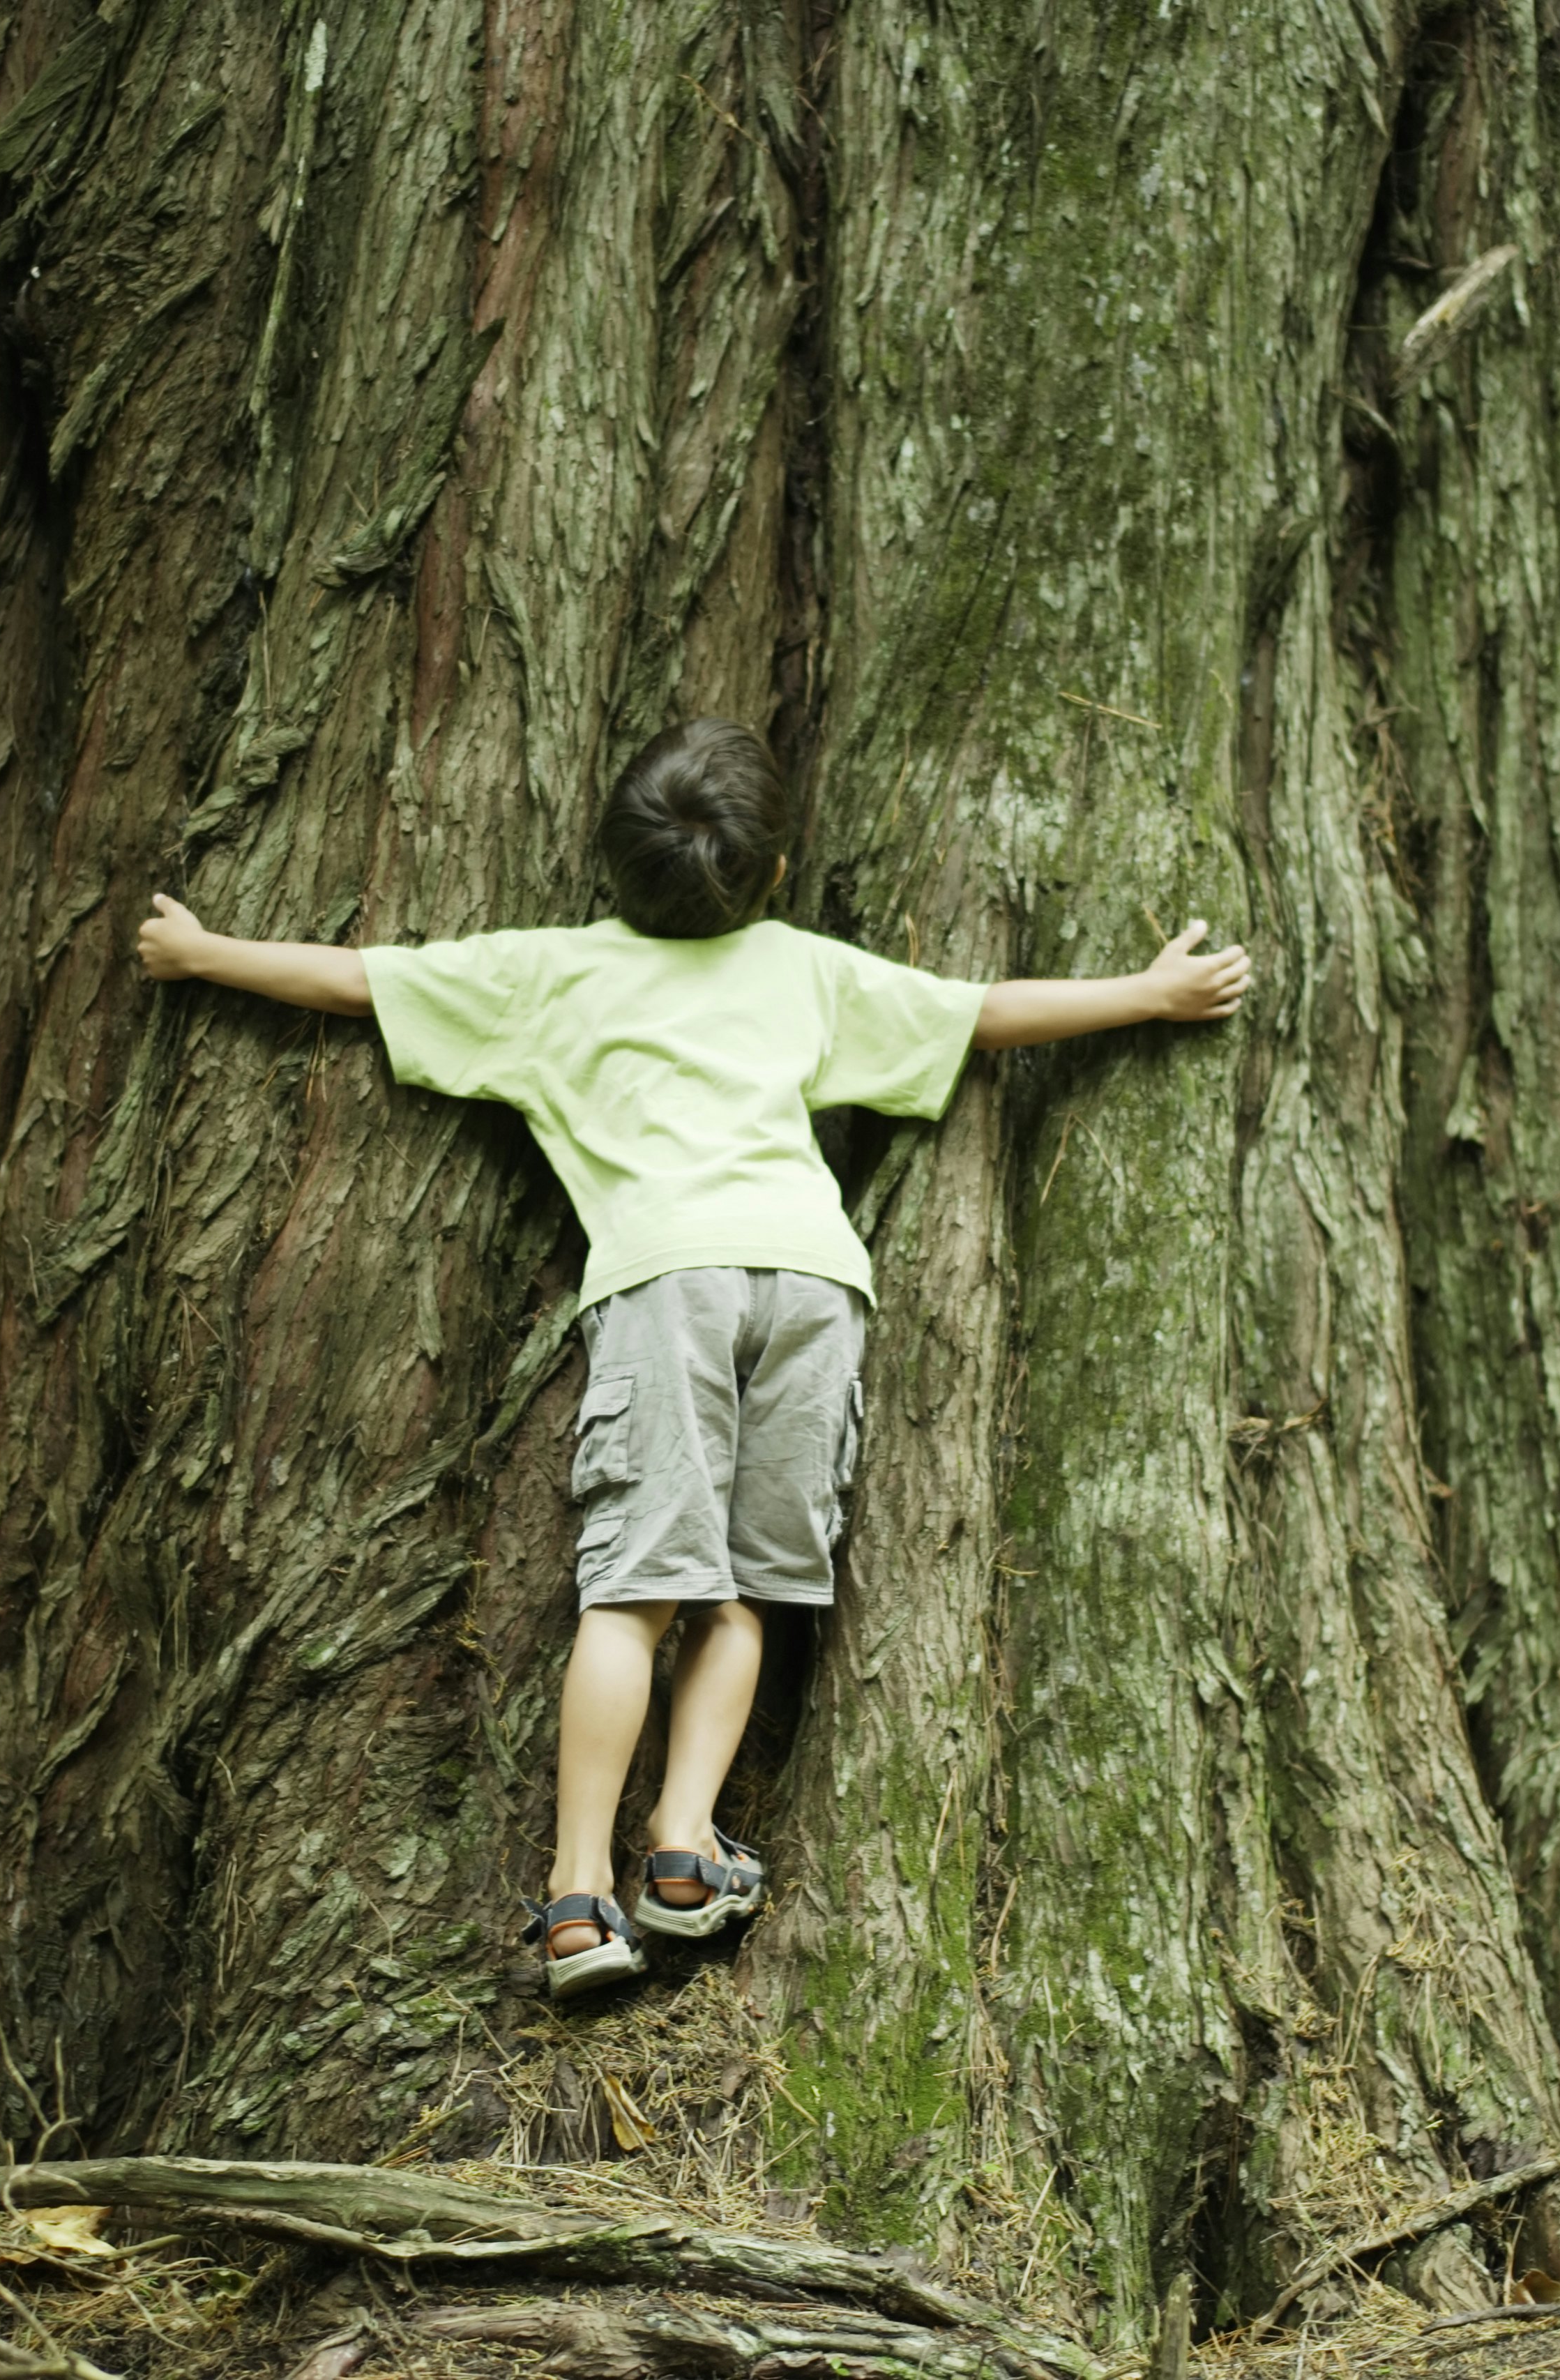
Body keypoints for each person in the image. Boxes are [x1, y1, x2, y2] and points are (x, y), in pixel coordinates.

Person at [136, 718, 1249, 1995]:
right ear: (773, 875)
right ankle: (679, 1848)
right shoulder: (804, 969)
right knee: (751, 1586)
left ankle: (575, 1898)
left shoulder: (546, 976)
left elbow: (363, 980)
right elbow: (984, 1013)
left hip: (669, 1280)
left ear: (612, 863)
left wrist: (203, 951)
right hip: (814, 1282)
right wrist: (1152, 993)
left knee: (635, 1589)